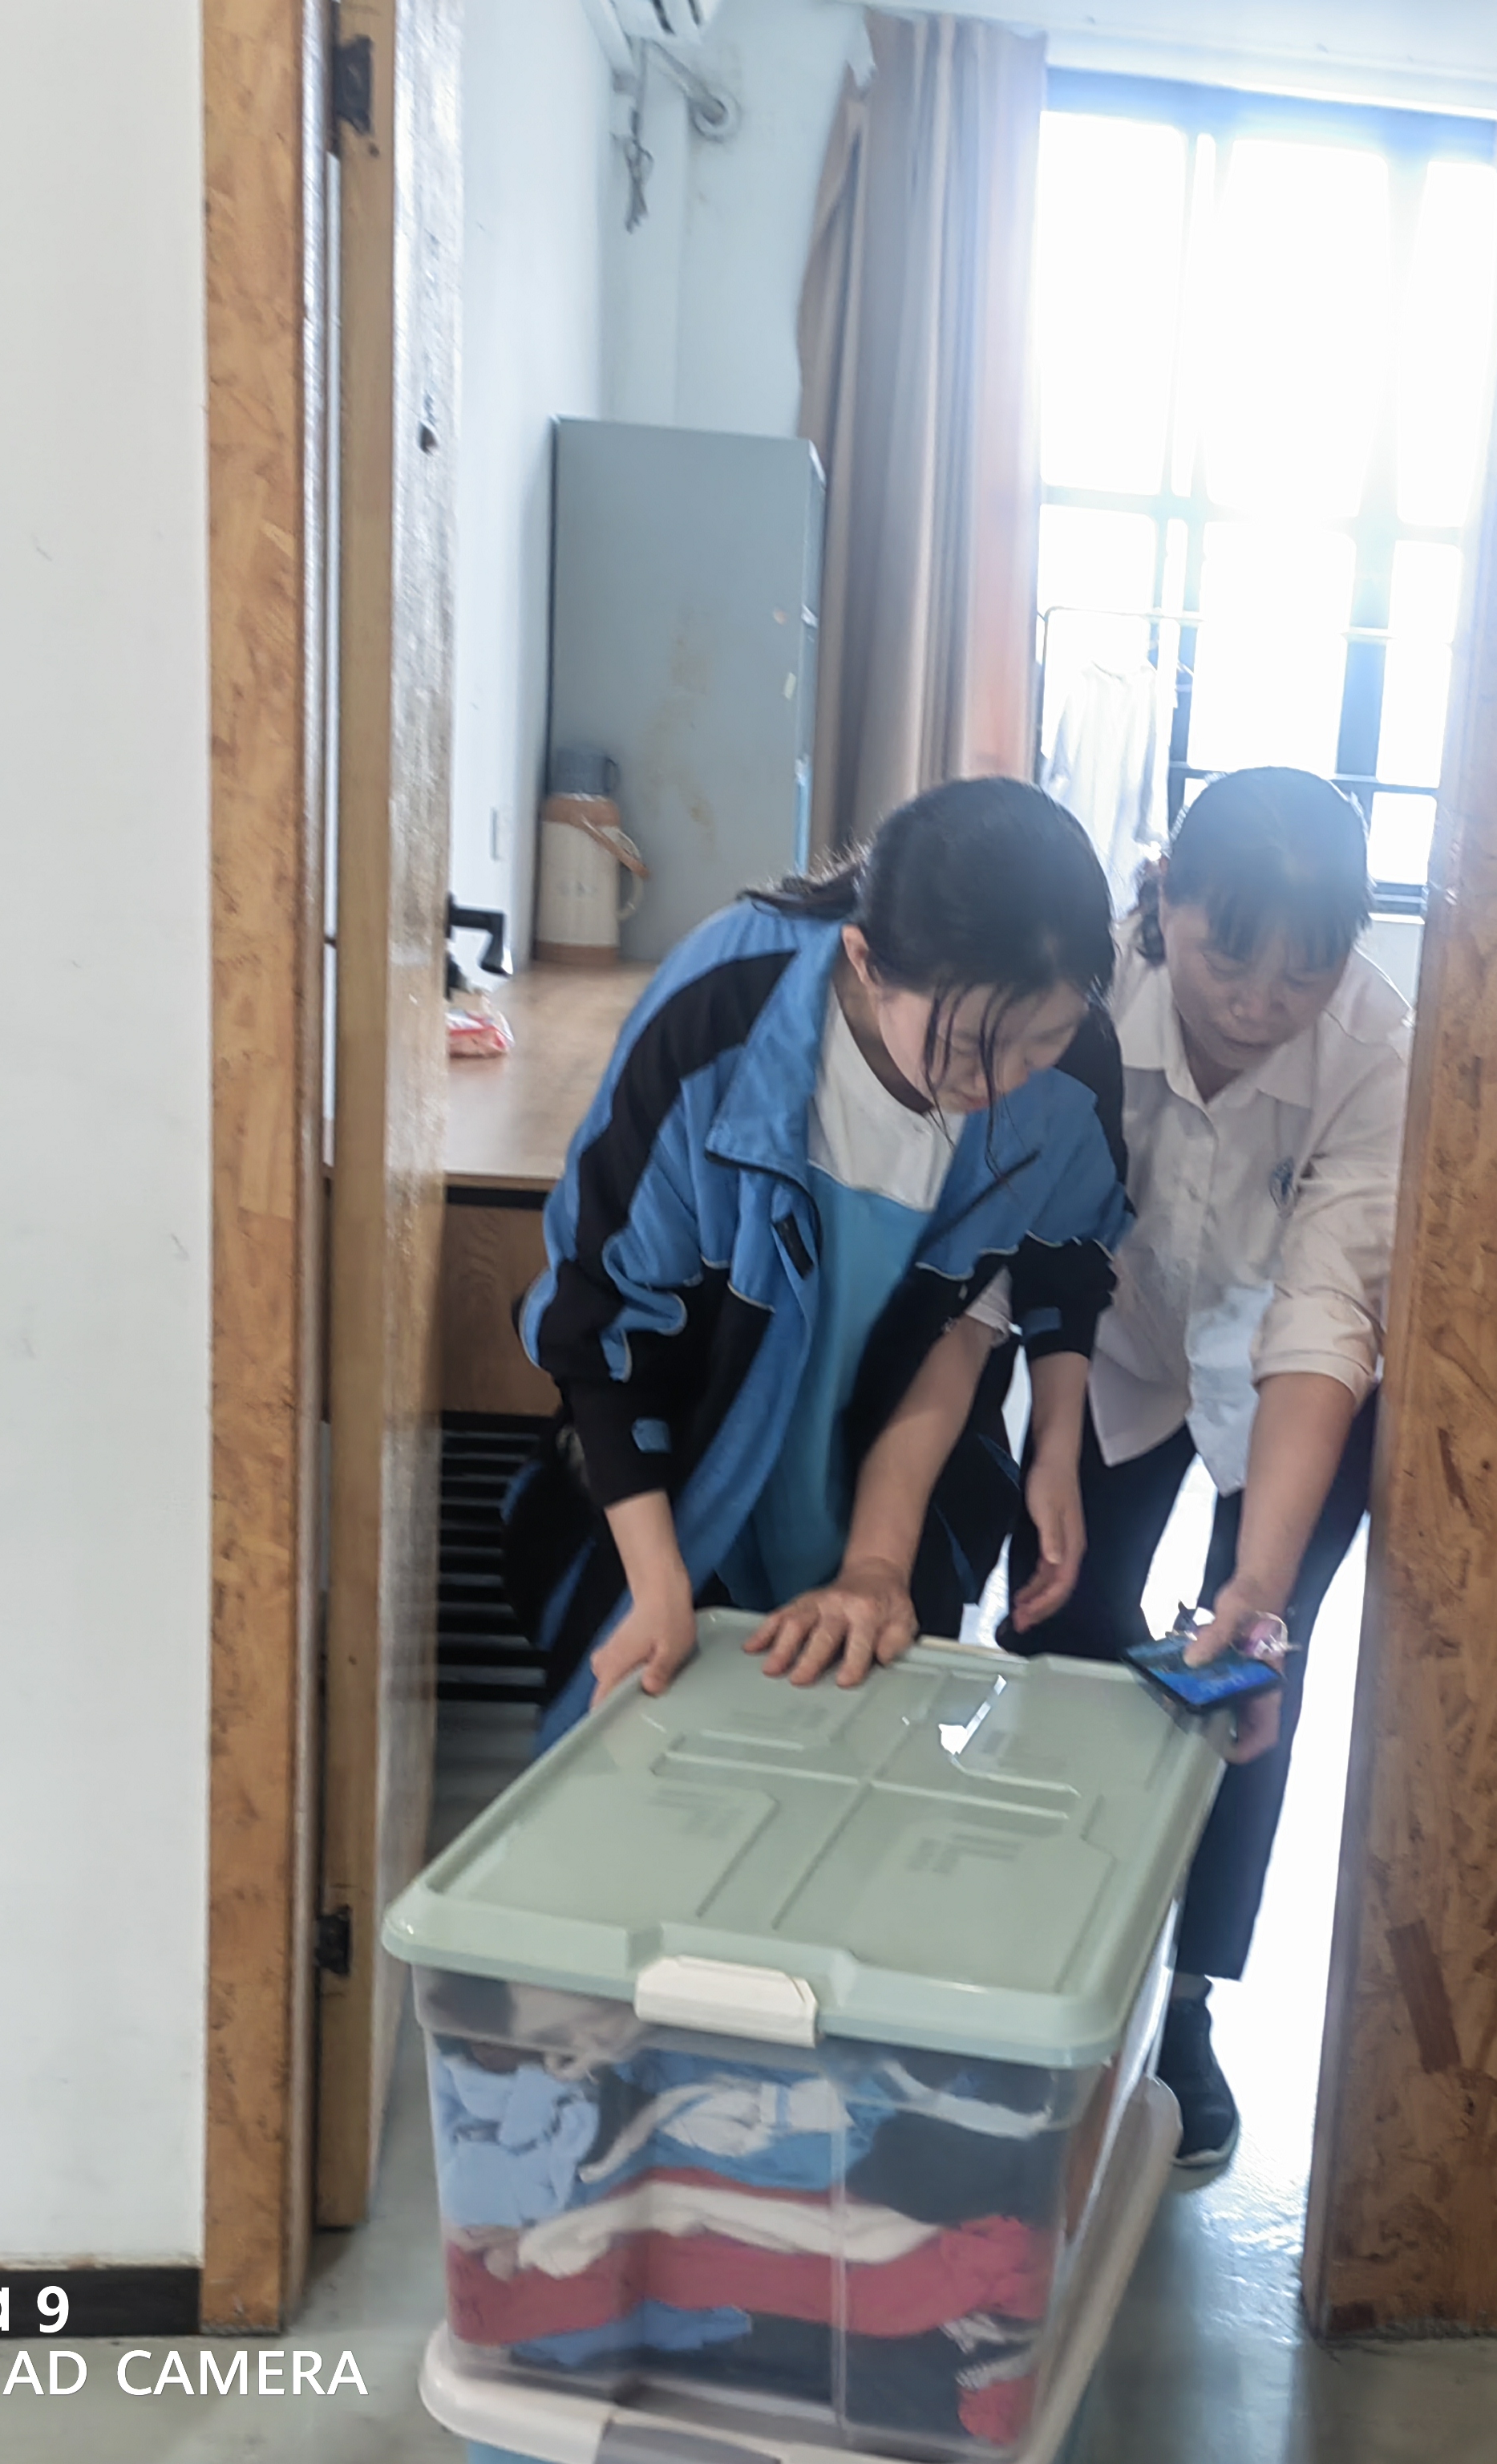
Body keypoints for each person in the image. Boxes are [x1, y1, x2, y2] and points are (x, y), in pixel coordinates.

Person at [506, 778, 1128, 1750]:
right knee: (640, 1748)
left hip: (893, 1469)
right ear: (866, 961)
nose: (1002, 1085)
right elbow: (606, 1318)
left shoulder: (1073, 1071)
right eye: (967, 1049)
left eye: (1039, 1044)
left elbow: (994, 1308)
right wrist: (658, 1585)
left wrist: (886, 1559)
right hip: (681, 1458)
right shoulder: (723, 1009)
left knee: (853, 1753)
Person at [1003, 766, 1410, 2170]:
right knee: (1058, 1614)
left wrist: (1260, 1582)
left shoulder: (1379, 1052)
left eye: (1306, 971)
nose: (1258, 1002)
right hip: (1104, 1342)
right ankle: (1057, 1947)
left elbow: (1327, 1309)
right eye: (1228, 958)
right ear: (1164, 895)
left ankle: (1188, 2003)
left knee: (1246, 1669)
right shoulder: (1085, 989)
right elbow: (1029, 1228)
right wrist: (1051, 1438)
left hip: (1291, 1383)